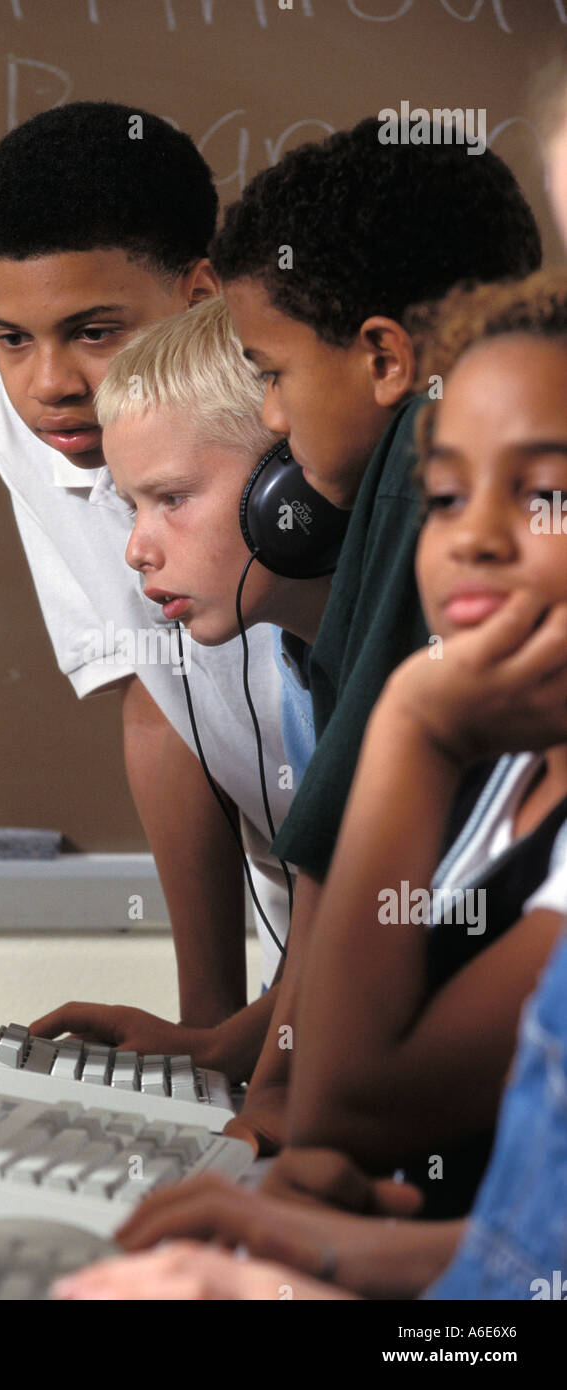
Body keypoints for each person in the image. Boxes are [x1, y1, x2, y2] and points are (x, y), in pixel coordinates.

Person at [54, 263, 567, 1297]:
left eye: (544, 491)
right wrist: (323, 1241)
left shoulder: (437, 731)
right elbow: (523, 1242)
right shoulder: (508, 770)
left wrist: (412, 730)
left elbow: (351, 1099)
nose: (468, 536)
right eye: (445, 495)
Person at [31, 118, 543, 1138]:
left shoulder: (413, 467)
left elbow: (340, 895)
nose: (273, 419)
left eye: (270, 371)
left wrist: (265, 1106)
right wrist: (230, 1044)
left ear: (386, 359)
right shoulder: (373, 552)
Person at [0, 100, 293, 1015]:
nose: (49, 386)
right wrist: (209, 1030)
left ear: (199, 302)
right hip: (301, 946)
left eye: (95, 332)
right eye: (11, 338)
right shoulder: (31, 424)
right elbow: (157, 694)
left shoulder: (299, 414)